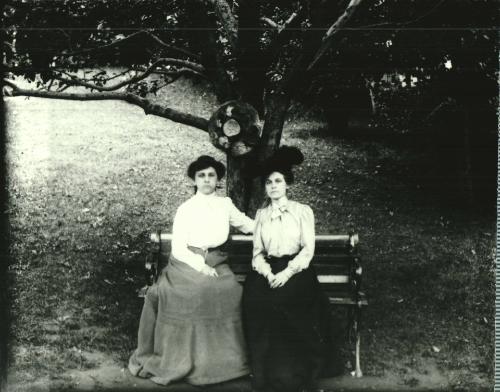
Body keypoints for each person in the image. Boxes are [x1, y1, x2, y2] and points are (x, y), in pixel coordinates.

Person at [128, 155, 254, 386]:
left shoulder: (224, 204)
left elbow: (248, 224)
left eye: (211, 175)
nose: (206, 180)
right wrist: (201, 266)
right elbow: (178, 248)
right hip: (185, 263)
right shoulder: (186, 208)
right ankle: (190, 358)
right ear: (194, 180)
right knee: (197, 290)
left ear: (218, 180)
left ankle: (224, 361)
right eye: (201, 176)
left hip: (217, 260)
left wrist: (273, 227)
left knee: (231, 289)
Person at [242, 146, 331, 392]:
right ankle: (264, 373)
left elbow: (307, 250)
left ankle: (297, 373)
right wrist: (269, 273)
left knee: (284, 302)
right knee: (256, 301)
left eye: (278, 181)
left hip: (296, 269)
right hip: (268, 269)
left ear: (287, 184)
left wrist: (286, 273)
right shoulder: (261, 215)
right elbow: (257, 254)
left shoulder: (303, 212)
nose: (273, 186)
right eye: (268, 182)